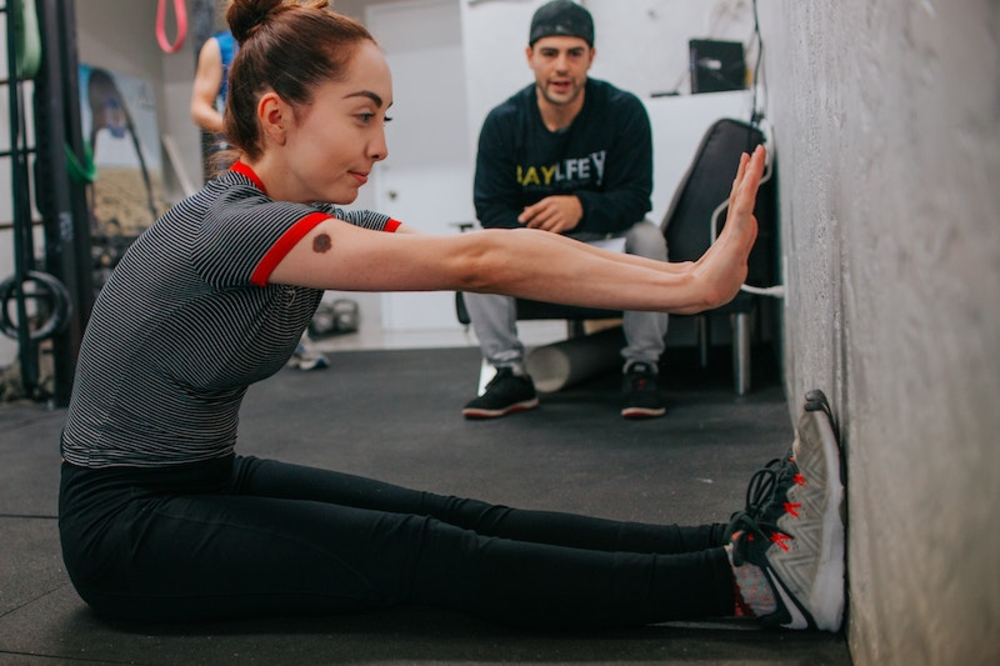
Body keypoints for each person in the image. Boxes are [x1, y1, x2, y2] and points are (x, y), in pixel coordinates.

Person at [58, 0, 845, 633]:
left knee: (456, 514)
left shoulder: (299, 218)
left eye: (384, 121)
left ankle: (731, 542)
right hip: (125, 529)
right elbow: (480, 265)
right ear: (276, 116)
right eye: (363, 116)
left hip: (201, 481)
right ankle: (749, 585)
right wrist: (695, 291)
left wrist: (690, 275)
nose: (380, 148)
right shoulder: (239, 226)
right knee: (421, 552)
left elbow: (493, 247)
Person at [462, 0, 668, 421]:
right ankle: (509, 372)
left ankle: (642, 367)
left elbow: (636, 197)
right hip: (531, 241)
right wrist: (535, 239)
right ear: (530, 57)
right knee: (471, 245)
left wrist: (580, 207)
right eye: (550, 53)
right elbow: (490, 206)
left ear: (590, 57)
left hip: (600, 237)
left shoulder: (623, 111)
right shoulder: (503, 122)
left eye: (574, 53)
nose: (562, 67)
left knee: (648, 237)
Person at [191, 23, 329, 371]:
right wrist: (246, 130)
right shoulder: (218, 47)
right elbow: (199, 107)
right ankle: (239, 341)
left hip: (289, 153)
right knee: (247, 247)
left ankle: (294, 337)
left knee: (295, 239)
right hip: (245, 157)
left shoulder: (291, 40)